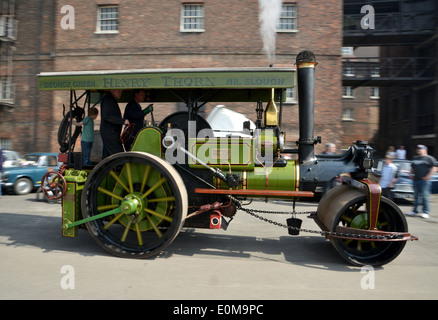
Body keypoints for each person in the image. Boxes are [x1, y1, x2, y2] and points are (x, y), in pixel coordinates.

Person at [407, 145, 437, 219]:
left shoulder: (429, 158)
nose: (418, 150)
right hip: (416, 180)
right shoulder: (415, 158)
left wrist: (428, 176)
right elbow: (412, 167)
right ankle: (415, 211)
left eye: (420, 149)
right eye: (418, 149)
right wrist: (410, 174)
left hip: (424, 181)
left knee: (425, 196)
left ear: (425, 150)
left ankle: (425, 212)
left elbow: (435, 168)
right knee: (416, 196)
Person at [100, 89, 129, 159]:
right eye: (119, 91)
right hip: (110, 133)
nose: (120, 94)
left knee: (107, 157)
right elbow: (106, 116)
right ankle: (121, 168)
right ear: (112, 90)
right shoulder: (108, 100)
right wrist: (123, 121)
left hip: (111, 133)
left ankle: (106, 169)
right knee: (120, 156)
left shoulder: (110, 99)